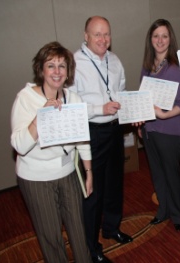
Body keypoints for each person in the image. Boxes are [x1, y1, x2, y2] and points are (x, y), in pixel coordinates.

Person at [10, 41, 93, 263]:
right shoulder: (26, 99)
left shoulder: (72, 98)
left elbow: (82, 139)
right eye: (51, 65)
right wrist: (40, 116)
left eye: (62, 66)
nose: (57, 72)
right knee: (51, 236)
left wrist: (88, 171)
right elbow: (19, 145)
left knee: (78, 229)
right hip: (37, 178)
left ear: (68, 72)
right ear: (41, 70)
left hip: (67, 174)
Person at [69, 16, 132, 263]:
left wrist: (132, 111)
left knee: (115, 184)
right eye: (97, 34)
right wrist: (99, 108)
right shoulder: (74, 62)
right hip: (90, 132)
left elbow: (123, 92)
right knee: (92, 193)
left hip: (115, 130)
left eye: (106, 34)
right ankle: (90, 248)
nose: (103, 39)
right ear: (85, 35)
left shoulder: (114, 60)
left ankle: (112, 228)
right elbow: (70, 104)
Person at [137, 19, 180, 231]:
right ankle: (163, 210)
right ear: (150, 40)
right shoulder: (147, 67)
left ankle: (178, 215)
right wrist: (141, 124)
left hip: (170, 131)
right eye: (156, 36)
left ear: (171, 40)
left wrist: (163, 114)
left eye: (164, 36)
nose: (160, 40)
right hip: (150, 129)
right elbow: (142, 97)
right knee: (157, 173)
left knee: (171, 174)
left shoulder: (176, 68)